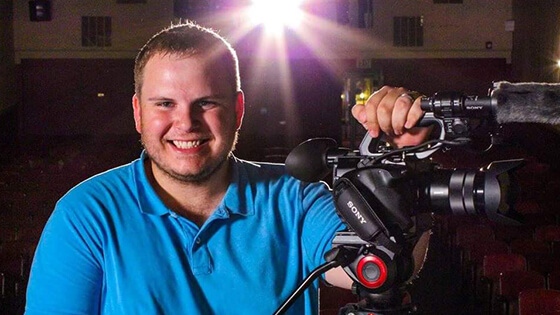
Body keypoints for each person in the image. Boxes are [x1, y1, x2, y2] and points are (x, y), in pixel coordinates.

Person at [25, 21, 427, 315]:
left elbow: (384, 265)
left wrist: (402, 165)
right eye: (165, 104)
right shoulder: (86, 213)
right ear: (137, 113)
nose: (186, 123)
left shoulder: (295, 196)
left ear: (237, 110)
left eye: (206, 103)